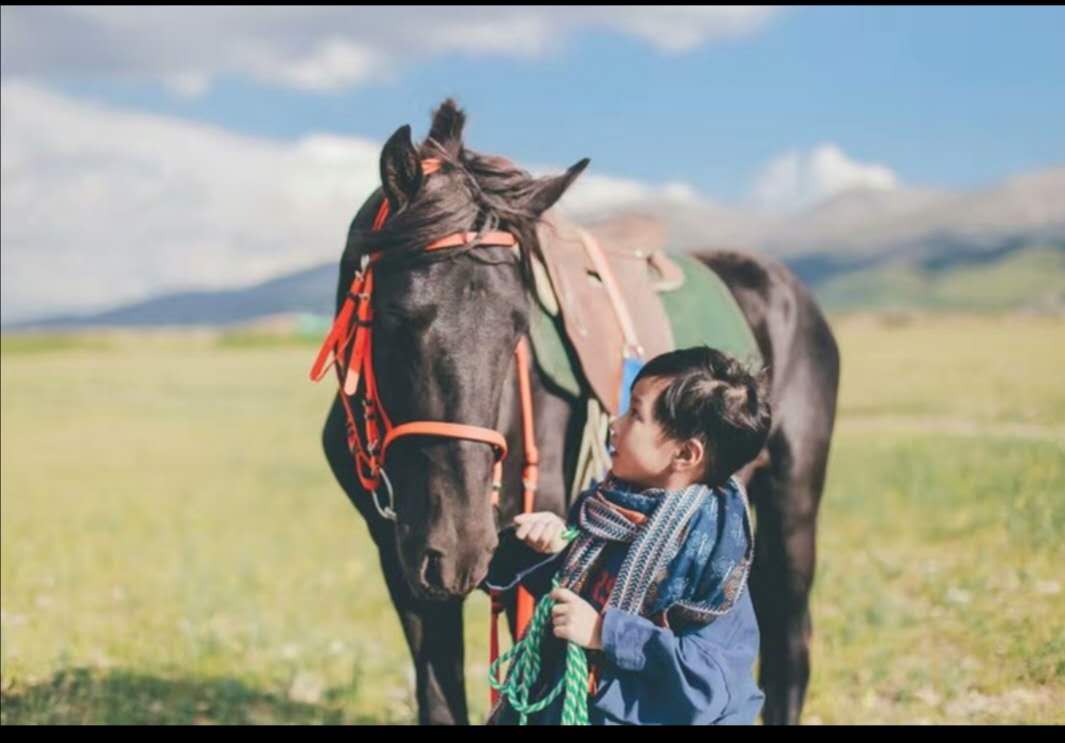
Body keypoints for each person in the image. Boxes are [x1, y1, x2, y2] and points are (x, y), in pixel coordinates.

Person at [483, 345, 771, 725]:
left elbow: (708, 683)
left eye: (635, 414)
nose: (614, 424)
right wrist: (544, 552)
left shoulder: (712, 558)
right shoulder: (605, 509)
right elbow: (573, 595)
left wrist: (606, 633)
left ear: (685, 454)